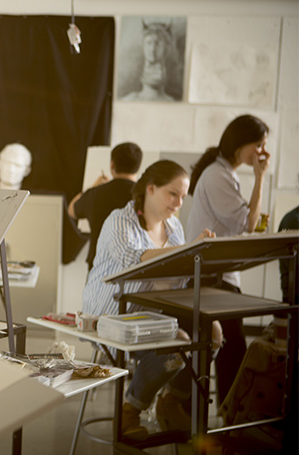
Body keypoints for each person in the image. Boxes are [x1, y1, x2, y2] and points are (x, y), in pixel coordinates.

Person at [81, 160, 220, 439]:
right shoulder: (119, 221)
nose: (179, 203)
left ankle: (172, 400)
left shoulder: (175, 228)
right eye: (173, 194)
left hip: (155, 313)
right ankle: (130, 411)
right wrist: (190, 249)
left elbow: (178, 277)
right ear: (151, 188)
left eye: (183, 196)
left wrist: (200, 254)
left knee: (212, 331)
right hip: (111, 315)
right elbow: (136, 261)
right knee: (177, 342)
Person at [186, 114, 271, 405]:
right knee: (232, 348)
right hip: (212, 277)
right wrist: (260, 177)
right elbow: (247, 223)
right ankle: (229, 415)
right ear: (241, 143)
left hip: (218, 275)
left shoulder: (223, 173)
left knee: (231, 347)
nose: (261, 152)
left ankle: (226, 413)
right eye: (258, 145)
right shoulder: (217, 175)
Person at [68, 142, 143, 270]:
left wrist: (93, 187)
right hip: (133, 267)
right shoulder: (145, 196)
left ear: (112, 164)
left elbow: (72, 210)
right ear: (138, 167)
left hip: (98, 267)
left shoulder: (95, 194)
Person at [122, 21, 175, 102]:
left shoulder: (170, 101)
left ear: (166, 47)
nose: (152, 49)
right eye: (149, 43)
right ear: (143, 45)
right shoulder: (129, 99)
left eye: (158, 43)